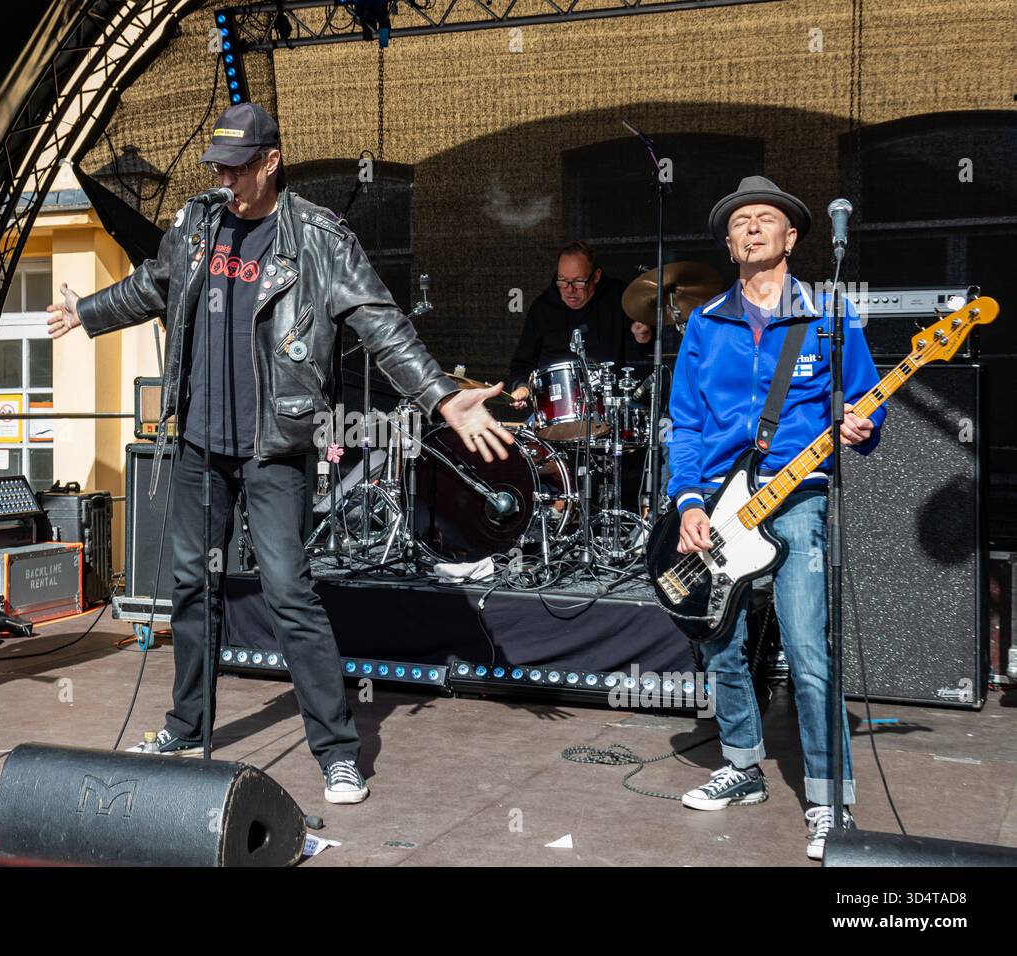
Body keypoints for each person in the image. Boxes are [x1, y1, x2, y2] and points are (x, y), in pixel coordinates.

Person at [47, 102, 513, 804]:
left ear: (271, 162)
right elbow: (155, 284)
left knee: (290, 592)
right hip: (200, 444)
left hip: (274, 448)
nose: (225, 178)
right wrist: (87, 313)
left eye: (237, 166)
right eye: (219, 166)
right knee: (191, 591)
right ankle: (185, 721)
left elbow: (383, 328)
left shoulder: (320, 240)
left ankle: (337, 750)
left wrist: (442, 397)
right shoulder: (199, 222)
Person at [665, 176, 885, 860]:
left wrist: (863, 424)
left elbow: (869, 402)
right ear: (729, 245)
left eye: (766, 219)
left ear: (791, 237)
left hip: (800, 496)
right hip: (722, 502)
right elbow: (687, 422)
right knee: (719, 641)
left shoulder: (827, 313)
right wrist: (689, 501)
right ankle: (741, 766)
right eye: (741, 223)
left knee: (809, 651)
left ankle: (828, 801)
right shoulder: (705, 324)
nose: (753, 228)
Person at [508, 240, 652, 409]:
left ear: (596, 276)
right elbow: (522, 364)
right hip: (556, 410)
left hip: (609, 406)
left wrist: (644, 336)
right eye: (562, 281)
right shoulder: (542, 308)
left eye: (578, 282)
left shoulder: (618, 297)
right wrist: (522, 386)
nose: (569, 290)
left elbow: (645, 354)